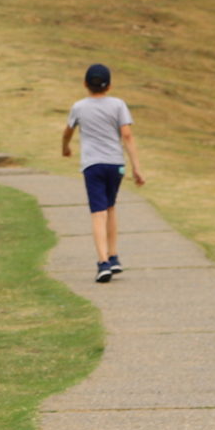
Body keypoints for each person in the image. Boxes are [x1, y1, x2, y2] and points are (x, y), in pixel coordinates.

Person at [59, 63, 144, 282]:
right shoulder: (118, 105)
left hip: (93, 165)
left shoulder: (79, 107)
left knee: (98, 213)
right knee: (110, 208)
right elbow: (127, 135)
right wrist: (136, 167)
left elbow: (68, 132)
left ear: (85, 84)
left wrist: (65, 148)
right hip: (115, 164)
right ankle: (114, 255)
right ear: (110, 85)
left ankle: (103, 261)